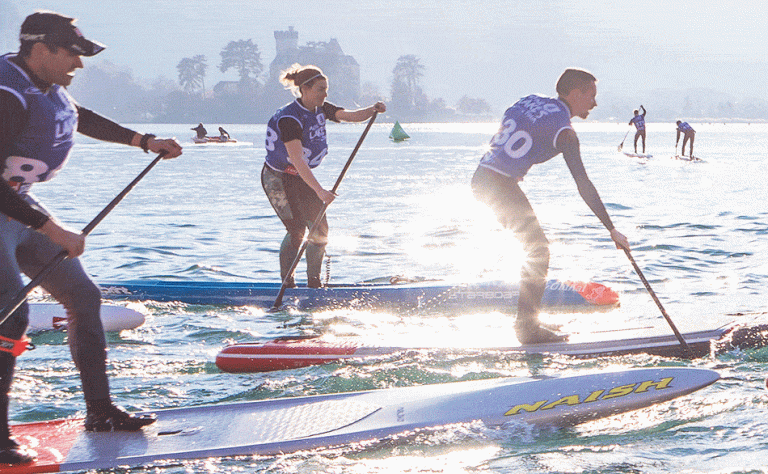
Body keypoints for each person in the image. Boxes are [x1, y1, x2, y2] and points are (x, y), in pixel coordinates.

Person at [0, 11, 183, 464]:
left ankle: (100, 414)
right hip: (11, 212)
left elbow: (77, 117)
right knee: (10, 319)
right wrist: (51, 228)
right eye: (71, 54)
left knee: (83, 297)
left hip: (18, 208)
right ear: (40, 50)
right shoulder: (5, 95)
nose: (78, 65)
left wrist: (144, 140)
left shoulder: (44, 84)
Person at [471, 68, 629, 345]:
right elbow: (583, 183)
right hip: (499, 185)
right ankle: (527, 328)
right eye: (591, 96)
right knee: (539, 250)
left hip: (483, 178)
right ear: (576, 93)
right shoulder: (565, 132)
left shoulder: (529, 99)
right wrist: (612, 229)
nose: (594, 103)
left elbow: (514, 120)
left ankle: (528, 318)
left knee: (534, 246)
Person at [262, 64, 386, 288]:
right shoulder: (290, 119)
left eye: (326, 88)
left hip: (301, 177)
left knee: (320, 229)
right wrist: (320, 191)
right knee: (297, 230)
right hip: (278, 179)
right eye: (320, 89)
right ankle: (287, 284)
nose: (325, 93)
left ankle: (314, 284)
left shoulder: (321, 108)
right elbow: (298, 160)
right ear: (305, 90)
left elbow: (349, 115)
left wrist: (372, 110)